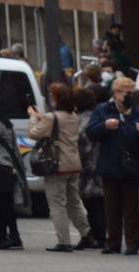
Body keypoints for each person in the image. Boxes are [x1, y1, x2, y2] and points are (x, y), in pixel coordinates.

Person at [28, 83, 96, 252]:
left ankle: (64, 241)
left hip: (57, 165)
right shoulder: (73, 114)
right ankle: (86, 233)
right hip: (73, 163)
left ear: (56, 98)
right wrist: (44, 117)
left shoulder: (52, 118)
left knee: (57, 203)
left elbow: (34, 133)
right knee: (74, 201)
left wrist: (33, 118)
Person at [88, 76, 139, 254]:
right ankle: (113, 242)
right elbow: (91, 133)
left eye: (132, 93)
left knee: (131, 207)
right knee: (111, 207)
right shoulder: (103, 110)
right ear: (116, 94)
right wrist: (105, 126)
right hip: (110, 163)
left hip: (131, 164)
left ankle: (132, 243)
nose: (129, 96)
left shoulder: (138, 112)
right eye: (126, 93)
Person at [0, 90, 27, 249]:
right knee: (1, 205)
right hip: (3, 169)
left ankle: (13, 238)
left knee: (0, 206)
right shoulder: (0, 120)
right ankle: (1, 236)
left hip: (0, 169)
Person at [73, 88, 107, 249]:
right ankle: (100, 234)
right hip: (101, 162)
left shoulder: (82, 119)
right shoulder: (97, 115)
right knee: (99, 201)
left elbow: (83, 145)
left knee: (92, 202)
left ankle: (99, 235)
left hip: (89, 167)